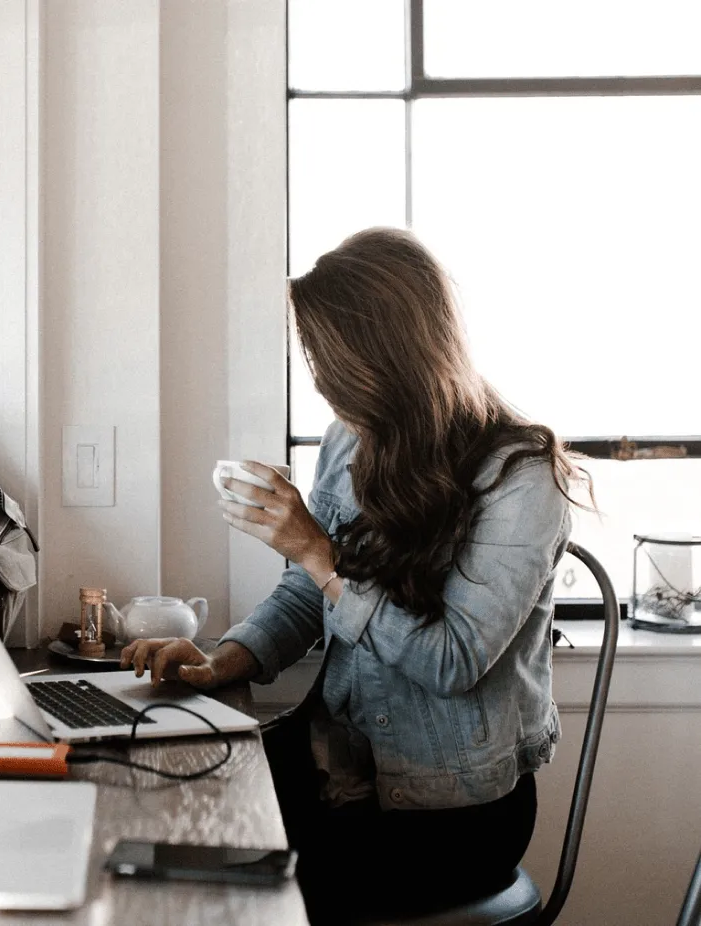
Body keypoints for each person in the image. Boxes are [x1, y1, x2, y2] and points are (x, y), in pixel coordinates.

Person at [121, 227, 590, 924]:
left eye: (326, 358)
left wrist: (318, 550)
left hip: (451, 812)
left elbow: (451, 660)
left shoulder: (521, 477)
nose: (318, 377)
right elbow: (308, 592)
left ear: (386, 355)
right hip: (338, 766)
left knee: (223, 888)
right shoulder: (352, 438)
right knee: (160, 811)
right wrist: (225, 660)